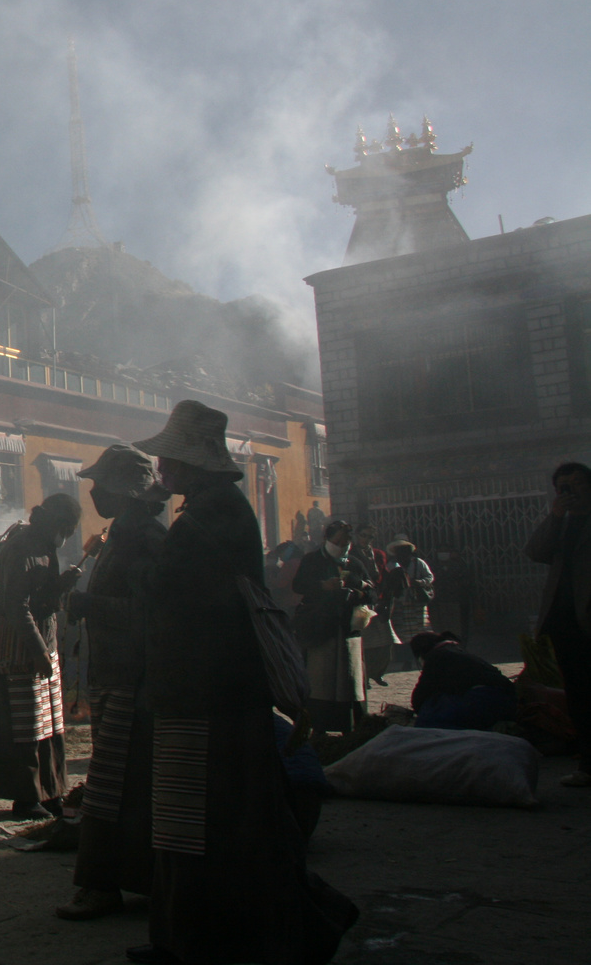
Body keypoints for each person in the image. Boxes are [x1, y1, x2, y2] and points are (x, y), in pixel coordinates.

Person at [127, 400, 357, 965]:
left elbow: (177, 594)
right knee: (199, 824)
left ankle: (216, 940)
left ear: (191, 465)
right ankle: (191, 938)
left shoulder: (211, 518)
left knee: (216, 827)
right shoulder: (213, 510)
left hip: (210, 692)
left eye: (169, 461)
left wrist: (141, 561)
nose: (161, 470)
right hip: (202, 689)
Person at [58, 445, 166, 921]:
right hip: (115, 674)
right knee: (123, 784)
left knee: (114, 786)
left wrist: (91, 607)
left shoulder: (146, 540)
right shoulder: (121, 535)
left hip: (133, 678)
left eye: (101, 483)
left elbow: (153, 615)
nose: (94, 490)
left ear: (125, 491)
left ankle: (105, 885)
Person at [0, 492, 83, 820]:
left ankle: (50, 792)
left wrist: (63, 585)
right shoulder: (21, 547)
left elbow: (42, 598)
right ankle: (25, 797)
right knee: (26, 728)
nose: (65, 536)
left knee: (48, 724)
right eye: (65, 528)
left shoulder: (43, 546)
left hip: (41, 644)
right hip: (18, 648)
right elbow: (15, 606)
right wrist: (39, 651)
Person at [524, 461, 591, 787]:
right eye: (564, 488)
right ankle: (588, 765)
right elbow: (535, 551)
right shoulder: (561, 524)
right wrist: (556, 516)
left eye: (578, 484)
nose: (572, 492)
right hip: (568, 624)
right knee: (580, 694)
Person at [291, 521, 374, 733]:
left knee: (349, 681)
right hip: (320, 630)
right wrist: (322, 586)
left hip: (348, 631)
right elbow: (298, 585)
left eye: (346, 540)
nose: (343, 545)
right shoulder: (312, 561)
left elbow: (372, 591)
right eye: (338, 541)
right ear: (327, 540)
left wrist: (358, 592)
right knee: (320, 682)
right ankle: (318, 729)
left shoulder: (355, 563)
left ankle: (350, 728)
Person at [408, 631, 516, 730]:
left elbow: (420, 695)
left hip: (485, 700)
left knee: (431, 713)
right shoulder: (454, 650)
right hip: (505, 699)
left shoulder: (437, 656)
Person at [381, 537, 434, 672]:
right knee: (402, 634)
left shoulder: (418, 563)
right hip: (399, 605)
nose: (402, 556)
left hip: (417, 604)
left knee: (420, 632)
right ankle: (407, 660)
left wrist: (419, 582)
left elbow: (429, 577)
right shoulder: (392, 566)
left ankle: (420, 658)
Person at [355, 525, 392, 685]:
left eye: (370, 537)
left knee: (386, 640)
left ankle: (378, 672)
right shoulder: (350, 554)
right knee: (367, 642)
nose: (366, 540)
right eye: (363, 536)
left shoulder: (378, 554)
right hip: (362, 600)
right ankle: (366, 675)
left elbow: (384, 575)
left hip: (379, 599)